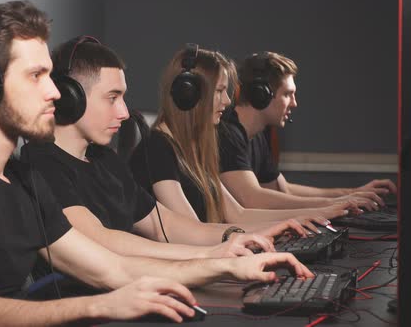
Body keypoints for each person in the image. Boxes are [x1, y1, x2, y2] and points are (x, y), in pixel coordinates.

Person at [0, 2, 313, 326]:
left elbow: (111, 267)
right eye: (35, 76)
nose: (54, 92)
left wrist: (226, 263)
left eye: (51, 74)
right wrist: (100, 305)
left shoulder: (19, 180)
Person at [20, 36, 321, 270]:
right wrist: (212, 254)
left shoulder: (105, 161)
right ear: (70, 98)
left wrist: (242, 236)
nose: (124, 112)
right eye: (112, 98)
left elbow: (166, 225)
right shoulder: (41, 165)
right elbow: (103, 241)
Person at [128, 46, 356, 231]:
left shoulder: (194, 149)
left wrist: (310, 215)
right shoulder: (158, 148)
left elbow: (238, 214)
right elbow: (193, 230)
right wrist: (270, 230)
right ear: (189, 95)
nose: (227, 101)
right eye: (219, 91)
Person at [216, 51, 396, 210]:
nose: (294, 103)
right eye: (287, 94)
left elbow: (281, 190)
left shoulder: (258, 134)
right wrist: (335, 203)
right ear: (260, 94)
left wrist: (351, 193)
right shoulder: (227, 133)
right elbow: (252, 199)